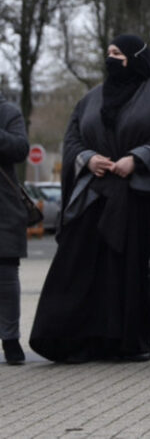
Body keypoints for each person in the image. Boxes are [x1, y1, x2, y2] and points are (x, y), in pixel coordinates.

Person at [29, 35, 150, 363]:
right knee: (76, 266)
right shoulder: (91, 98)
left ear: (136, 58)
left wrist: (136, 158)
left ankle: (125, 343)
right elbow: (72, 138)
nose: (111, 59)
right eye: (108, 53)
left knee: (127, 273)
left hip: (135, 199)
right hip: (92, 198)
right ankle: (69, 339)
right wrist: (87, 158)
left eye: (118, 54)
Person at [0, 91, 30, 365]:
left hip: (3, 207)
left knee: (6, 276)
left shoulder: (8, 112)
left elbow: (21, 149)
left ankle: (10, 339)